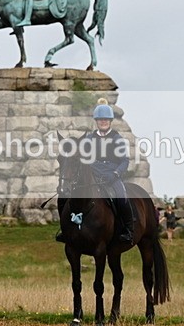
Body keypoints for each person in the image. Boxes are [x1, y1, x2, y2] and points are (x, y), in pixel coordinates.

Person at [56, 99, 134, 244]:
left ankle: (128, 230)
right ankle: (65, 230)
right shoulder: (89, 138)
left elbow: (124, 161)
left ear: (110, 121)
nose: (103, 122)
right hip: (93, 173)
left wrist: (116, 174)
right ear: (96, 121)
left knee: (121, 198)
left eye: (105, 120)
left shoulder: (118, 139)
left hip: (112, 175)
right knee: (65, 196)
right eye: (100, 120)